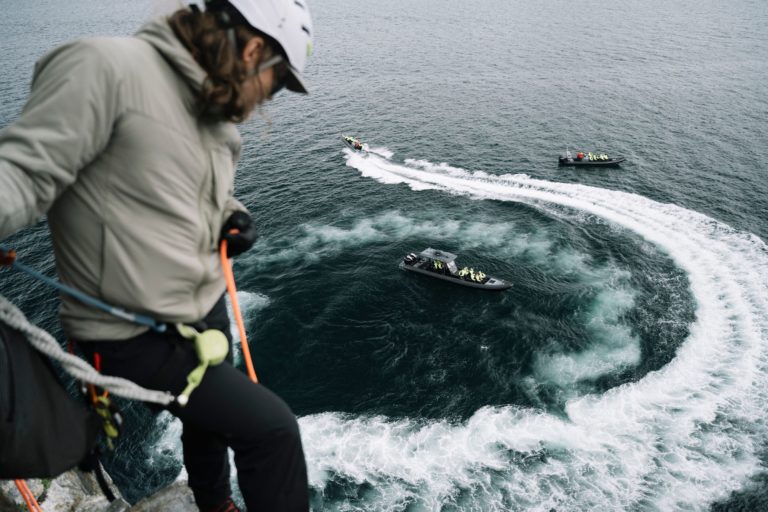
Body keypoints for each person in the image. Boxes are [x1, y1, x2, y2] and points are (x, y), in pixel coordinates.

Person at [0, 0, 313, 510]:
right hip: (133, 330)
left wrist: (229, 216)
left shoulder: (212, 115)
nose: (266, 102)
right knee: (273, 433)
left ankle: (214, 503)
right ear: (254, 50)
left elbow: (169, 187)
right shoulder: (106, 69)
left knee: (209, 419)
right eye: (277, 83)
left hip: (200, 307)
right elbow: (22, 173)